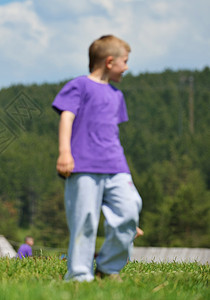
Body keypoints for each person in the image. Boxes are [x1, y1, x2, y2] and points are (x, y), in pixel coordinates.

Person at [52, 35, 142, 282]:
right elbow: (66, 118)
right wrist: (64, 152)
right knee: (85, 221)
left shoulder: (117, 95)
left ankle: (108, 266)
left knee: (130, 210)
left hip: (115, 166)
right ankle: (80, 276)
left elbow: (112, 133)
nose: (127, 66)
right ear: (110, 62)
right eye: (125, 61)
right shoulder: (78, 86)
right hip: (82, 166)